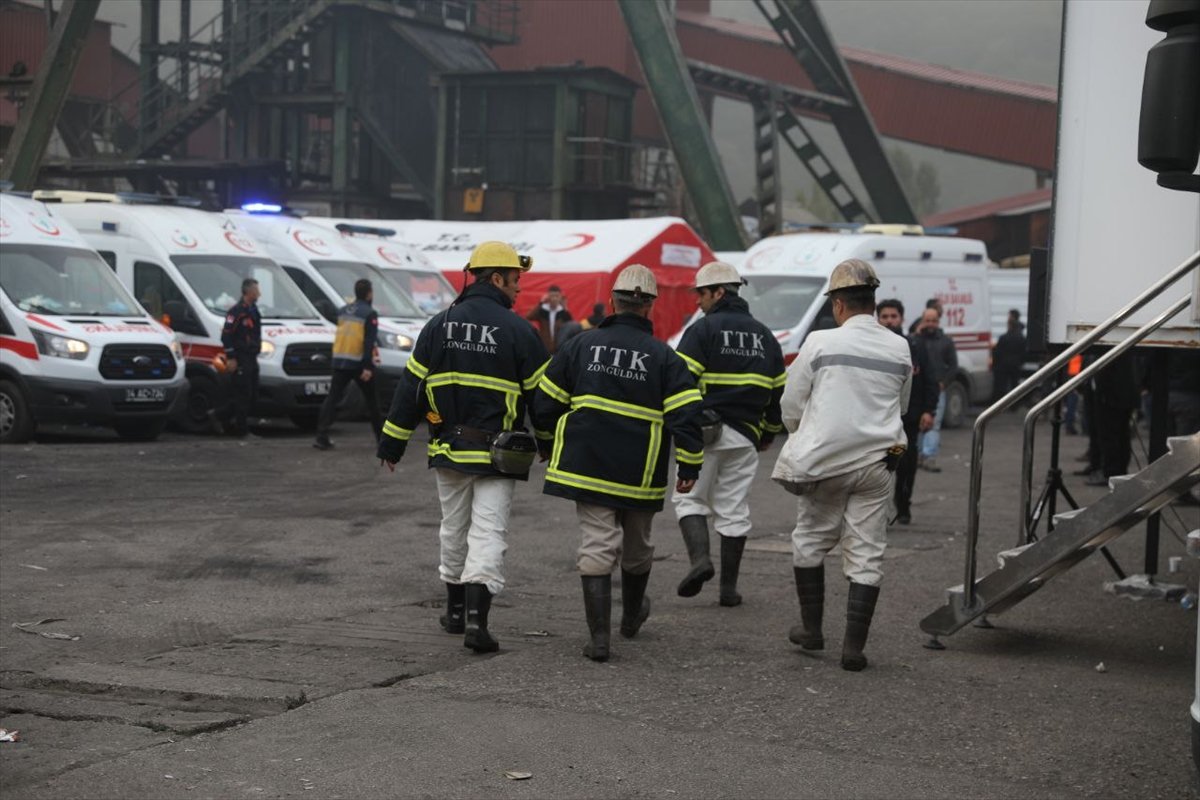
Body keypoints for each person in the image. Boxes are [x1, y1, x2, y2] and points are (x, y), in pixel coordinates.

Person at [376, 242, 551, 654]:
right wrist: (548, 440)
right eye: (515, 280)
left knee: (453, 528)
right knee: (488, 531)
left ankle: (454, 614)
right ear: (495, 278)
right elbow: (541, 398)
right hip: (500, 455)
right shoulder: (519, 331)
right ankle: (477, 622)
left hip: (450, 449)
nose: (519, 288)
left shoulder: (439, 325)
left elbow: (411, 389)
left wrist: (392, 444)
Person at [534, 264, 705, 662]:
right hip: (638, 472)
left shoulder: (580, 344)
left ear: (612, 301)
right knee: (638, 545)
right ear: (649, 306)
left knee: (596, 543)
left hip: (587, 464)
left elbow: (545, 400)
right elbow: (687, 414)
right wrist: (691, 465)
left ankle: (599, 640)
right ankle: (630, 618)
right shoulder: (664, 356)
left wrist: (546, 440)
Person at [772, 259, 911, 672]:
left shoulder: (819, 343)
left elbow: (790, 405)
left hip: (826, 463)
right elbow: (901, 406)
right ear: (873, 302)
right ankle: (853, 649)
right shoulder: (900, 346)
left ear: (837, 304)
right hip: (878, 464)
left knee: (810, 540)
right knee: (867, 552)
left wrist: (804, 433)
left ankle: (812, 631)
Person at [671, 260, 785, 606]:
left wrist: (680, 429)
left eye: (702, 294)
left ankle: (700, 561)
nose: (697, 302)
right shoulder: (765, 336)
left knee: (688, 499)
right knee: (733, 508)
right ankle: (728, 590)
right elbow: (777, 390)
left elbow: (682, 384)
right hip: (747, 436)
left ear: (719, 292)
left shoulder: (703, 331)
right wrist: (767, 431)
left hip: (705, 435)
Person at [876, 299, 936, 525]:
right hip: (879, 420)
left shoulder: (915, 346)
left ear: (901, 319)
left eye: (894, 316)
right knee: (877, 467)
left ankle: (903, 506)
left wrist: (929, 411)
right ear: (877, 319)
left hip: (909, 418)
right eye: (884, 316)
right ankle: (878, 512)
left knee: (906, 466)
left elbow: (930, 380)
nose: (889, 321)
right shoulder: (872, 347)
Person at [314, 278, 382, 450]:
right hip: (359, 363)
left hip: (340, 361)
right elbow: (368, 342)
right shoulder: (369, 313)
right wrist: (368, 366)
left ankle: (321, 437)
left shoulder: (344, 310)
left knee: (332, 399)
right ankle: (382, 440)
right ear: (369, 293)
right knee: (373, 402)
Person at [915, 306, 957, 472]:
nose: (930, 324)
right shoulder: (916, 340)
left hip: (937, 389)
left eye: (934, 321)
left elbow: (953, 366)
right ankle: (917, 455)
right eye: (927, 320)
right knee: (917, 423)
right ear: (922, 321)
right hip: (919, 389)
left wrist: (944, 383)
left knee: (933, 423)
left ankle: (929, 456)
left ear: (938, 322)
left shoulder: (946, 341)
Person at [221, 277, 262, 437]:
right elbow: (226, 335)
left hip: (252, 356)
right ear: (249, 292)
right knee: (243, 394)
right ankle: (242, 430)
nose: (259, 293)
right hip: (241, 357)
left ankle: (218, 415)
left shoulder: (254, 311)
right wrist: (231, 356)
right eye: (257, 290)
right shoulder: (235, 312)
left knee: (253, 394)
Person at [526, 284, 573, 353]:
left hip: (559, 348)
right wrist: (541, 302)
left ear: (560, 297)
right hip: (544, 347)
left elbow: (570, 325)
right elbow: (529, 316)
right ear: (548, 297)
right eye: (552, 296)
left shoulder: (562, 311)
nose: (554, 299)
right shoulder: (543, 309)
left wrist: (565, 308)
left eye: (557, 296)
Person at [991, 316, 1027, 403]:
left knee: (1002, 386)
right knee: (1015, 385)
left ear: (1009, 325)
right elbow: (1024, 353)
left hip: (1003, 365)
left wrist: (995, 364)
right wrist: (1020, 362)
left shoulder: (1003, 338)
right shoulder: (1021, 338)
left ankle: (1001, 403)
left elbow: (997, 353)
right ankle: (1015, 404)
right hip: (1016, 365)